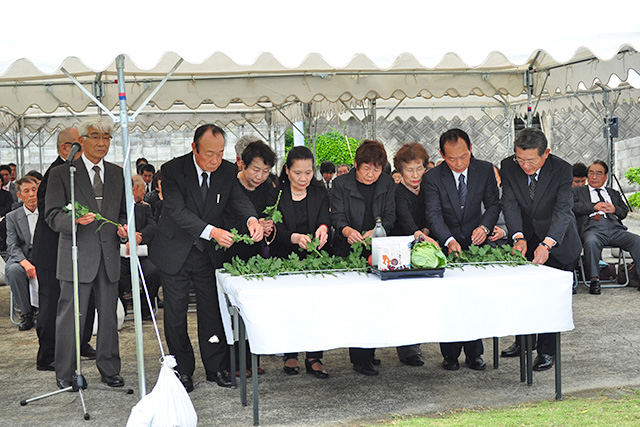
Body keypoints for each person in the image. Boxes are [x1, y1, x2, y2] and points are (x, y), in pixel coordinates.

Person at [149, 124, 263, 393]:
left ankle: (216, 368)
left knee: (211, 312)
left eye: (220, 153)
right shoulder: (173, 170)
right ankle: (182, 370)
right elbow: (176, 211)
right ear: (194, 148)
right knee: (175, 315)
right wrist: (213, 232)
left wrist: (251, 219)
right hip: (175, 251)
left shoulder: (226, 171)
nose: (215, 160)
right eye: (209, 154)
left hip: (207, 255)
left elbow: (239, 200)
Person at [46, 117, 128, 390]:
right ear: (82, 140)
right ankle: (66, 373)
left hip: (109, 256)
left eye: (106, 138)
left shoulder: (118, 173)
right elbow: (52, 216)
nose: (102, 143)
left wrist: (126, 229)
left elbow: (124, 214)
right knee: (70, 317)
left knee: (108, 316)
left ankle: (109, 368)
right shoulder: (62, 173)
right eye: (96, 137)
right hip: (76, 255)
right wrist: (73, 222)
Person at [499, 127, 581, 371]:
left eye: (531, 160)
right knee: (522, 294)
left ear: (546, 153)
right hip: (526, 236)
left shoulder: (562, 169)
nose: (524, 165)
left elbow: (563, 210)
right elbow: (510, 203)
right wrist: (518, 237)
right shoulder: (508, 165)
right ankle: (524, 341)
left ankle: (546, 351)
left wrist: (547, 243)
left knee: (549, 300)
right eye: (520, 159)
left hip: (558, 238)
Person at [424, 128, 500, 372]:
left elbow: (493, 204)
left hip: (476, 245)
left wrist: (485, 227)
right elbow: (433, 214)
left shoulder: (485, 169)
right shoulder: (432, 177)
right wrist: (448, 240)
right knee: (448, 302)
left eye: (463, 157)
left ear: (471, 149)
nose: (458, 163)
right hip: (447, 246)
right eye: (452, 159)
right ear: (441, 155)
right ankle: (450, 354)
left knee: (473, 299)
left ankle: (475, 353)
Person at [32, 128, 96, 372]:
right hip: (52, 250)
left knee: (83, 301)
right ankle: (48, 353)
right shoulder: (56, 173)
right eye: (81, 143)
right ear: (65, 149)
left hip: (79, 247)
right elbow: (48, 211)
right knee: (53, 303)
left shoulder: (80, 172)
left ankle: (80, 343)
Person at [331, 139, 396, 376]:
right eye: (366, 168)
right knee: (357, 304)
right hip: (347, 249)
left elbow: (390, 216)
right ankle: (359, 358)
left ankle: (369, 351)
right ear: (356, 165)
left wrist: (376, 232)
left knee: (376, 303)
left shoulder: (387, 183)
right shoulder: (340, 184)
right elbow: (336, 216)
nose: (371, 174)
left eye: (376, 169)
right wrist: (347, 231)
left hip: (376, 250)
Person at [272, 146, 331, 379]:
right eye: (297, 173)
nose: (303, 178)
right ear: (287, 170)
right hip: (285, 258)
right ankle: (290, 354)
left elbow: (325, 217)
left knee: (315, 307)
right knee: (291, 307)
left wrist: (323, 229)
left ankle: (315, 356)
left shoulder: (319, 192)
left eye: (308, 173)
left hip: (313, 260)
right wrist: (293, 238)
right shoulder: (277, 194)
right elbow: (274, 228)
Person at [391, 142, 440, 367]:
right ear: (400, 172)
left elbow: (434, 215)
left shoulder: (430, 188)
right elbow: (406, 222)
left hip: (426, 245)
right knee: (405, 302)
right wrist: (421, 233)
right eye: (409, 170)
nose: (415, 175)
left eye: (419, 168)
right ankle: (408, 349)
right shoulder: (398, 194)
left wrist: (428, 231)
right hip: (403, 251)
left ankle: (420, 341)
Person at [573, 160, 640, 295]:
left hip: (615, 228)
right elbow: (572, 207)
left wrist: (614, 209)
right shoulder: (578, 191)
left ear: (605, 176)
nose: (594, 177)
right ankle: (594, 280)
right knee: (591, 242)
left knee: (637, 241)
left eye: (599, 174)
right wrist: (593, 206)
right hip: (592, 228)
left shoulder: (613, 193)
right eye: (591, 173)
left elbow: (624, 211)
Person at [226, 140, 277, 262]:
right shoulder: (230, 184)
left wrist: (268, 225)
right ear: (243, 164)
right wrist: (253, 224)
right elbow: (225, 221)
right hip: (229, 252)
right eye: (256, 169)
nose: (260, 176)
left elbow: (270, 212)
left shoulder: (267, 185)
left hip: (257, 254)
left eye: (266, 171)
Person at [118, 176, 160, 318]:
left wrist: (138, 237)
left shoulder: (144, 208)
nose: (144, 193)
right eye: (142, 189)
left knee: (154, 272)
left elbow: (152, 226)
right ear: (135, 189)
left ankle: (145, 308)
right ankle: (121, 309)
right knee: (114, 274)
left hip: (141, 254)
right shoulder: (118, 206)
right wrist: (128, 237)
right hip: (121, 255)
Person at [5, 176, 40, 331]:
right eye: (27, 191)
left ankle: (49, 310)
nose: (32, 194)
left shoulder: (48, 212)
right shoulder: (12, 217)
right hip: (22, 255)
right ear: (19, 196)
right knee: (14, 270)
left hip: (44, 254)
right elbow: (12, 245)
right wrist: (24, 262)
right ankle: (27, 314)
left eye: (34, 189)